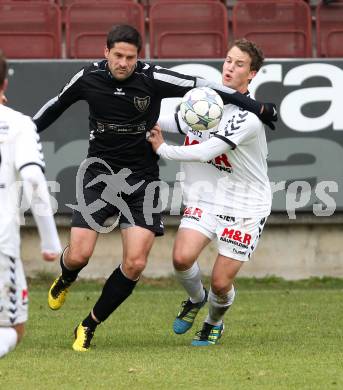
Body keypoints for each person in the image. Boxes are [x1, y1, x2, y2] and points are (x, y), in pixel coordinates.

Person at [33, 24, 277, 352]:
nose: (123, 63)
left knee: (136, 264)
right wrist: (23, 133)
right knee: (79, 255)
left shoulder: (154, 78)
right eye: (117, 55)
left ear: (139, 57)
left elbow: (202, 86)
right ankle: (66, 277)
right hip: (99, 175)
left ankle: (89, 325)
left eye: (130, 57)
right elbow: (55, 105)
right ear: (106, 53)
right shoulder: (88, 77)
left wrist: (257, 107)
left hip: (144, 182)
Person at [148, 38, 272, 346]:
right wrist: (129, 114)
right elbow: (171, 120)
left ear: (252, 74)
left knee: (220, 283)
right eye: (229, 60)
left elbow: (208, 151)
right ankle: (194, 299)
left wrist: (164, 149)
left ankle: (213, 322)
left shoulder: (250, 118)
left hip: (245, 207)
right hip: (206, 199)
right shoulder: (207, 101)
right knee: (181, 258)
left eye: (239, 64)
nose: (230, 67)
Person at [0, 51, 61, 358]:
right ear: (4, 83)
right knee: (12, 330)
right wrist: (50, 241)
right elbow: (34, 182)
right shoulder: (18, 124)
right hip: (1, 242)